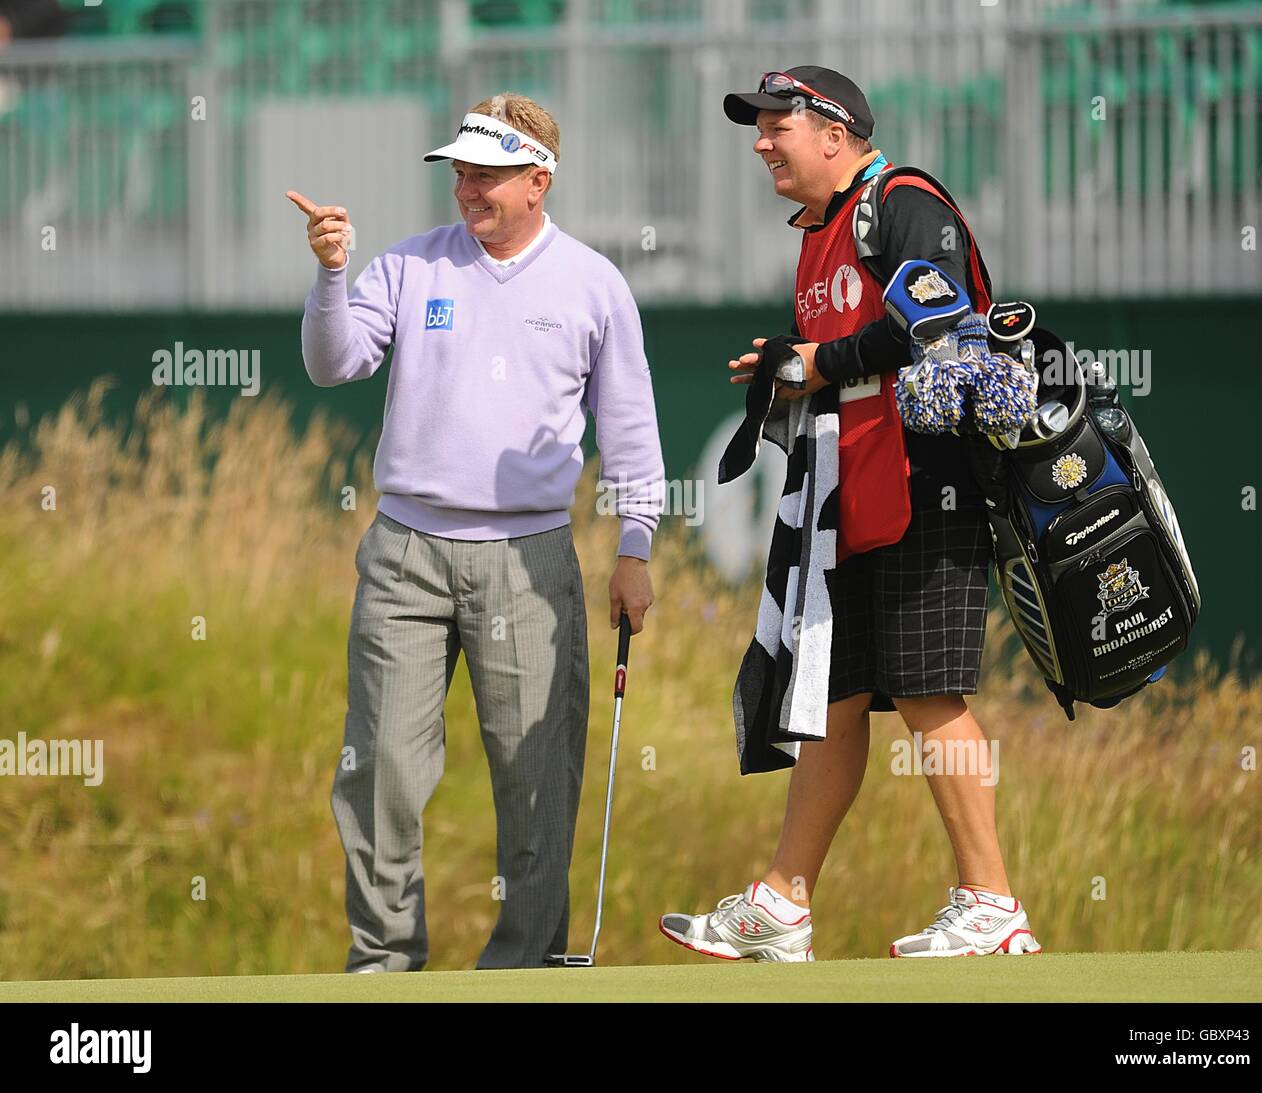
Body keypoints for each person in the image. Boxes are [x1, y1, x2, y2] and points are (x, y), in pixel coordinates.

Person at [659, 67, 1042, 961]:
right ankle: (782, 905)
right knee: (833, 697)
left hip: (927, 485)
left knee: (925, 690)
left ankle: (991, 902)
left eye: (774, 124)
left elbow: (936, 327)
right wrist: (795, 366)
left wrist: (821, 360)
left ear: (834, 132)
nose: (760, 141)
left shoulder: (905, 201)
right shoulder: (822, 231)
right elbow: (851, 356)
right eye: (756, 126)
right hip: (853, 494)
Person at [290, 93, 664, 971]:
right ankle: (383, 964)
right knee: (379, 766)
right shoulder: (409, 266)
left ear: (539, 180)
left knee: (538, 777)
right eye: (460, 170)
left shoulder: (592, 283)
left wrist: (637, 543)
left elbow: (631, 427)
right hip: (405, 551)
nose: (467, 188)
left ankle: (523, 969)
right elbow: (332, 361)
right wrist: (332, 273)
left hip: (530, 560)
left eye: (486, 173)